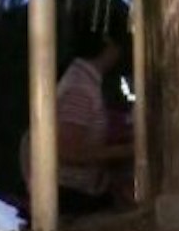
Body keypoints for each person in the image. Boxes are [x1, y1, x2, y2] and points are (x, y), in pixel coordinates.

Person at [53, 18, 133, 215]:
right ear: (109, 45)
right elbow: (67, 151)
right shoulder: (80, 87)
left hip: (80, 191)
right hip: (75, 195)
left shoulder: (84, 81)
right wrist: (128, 151)